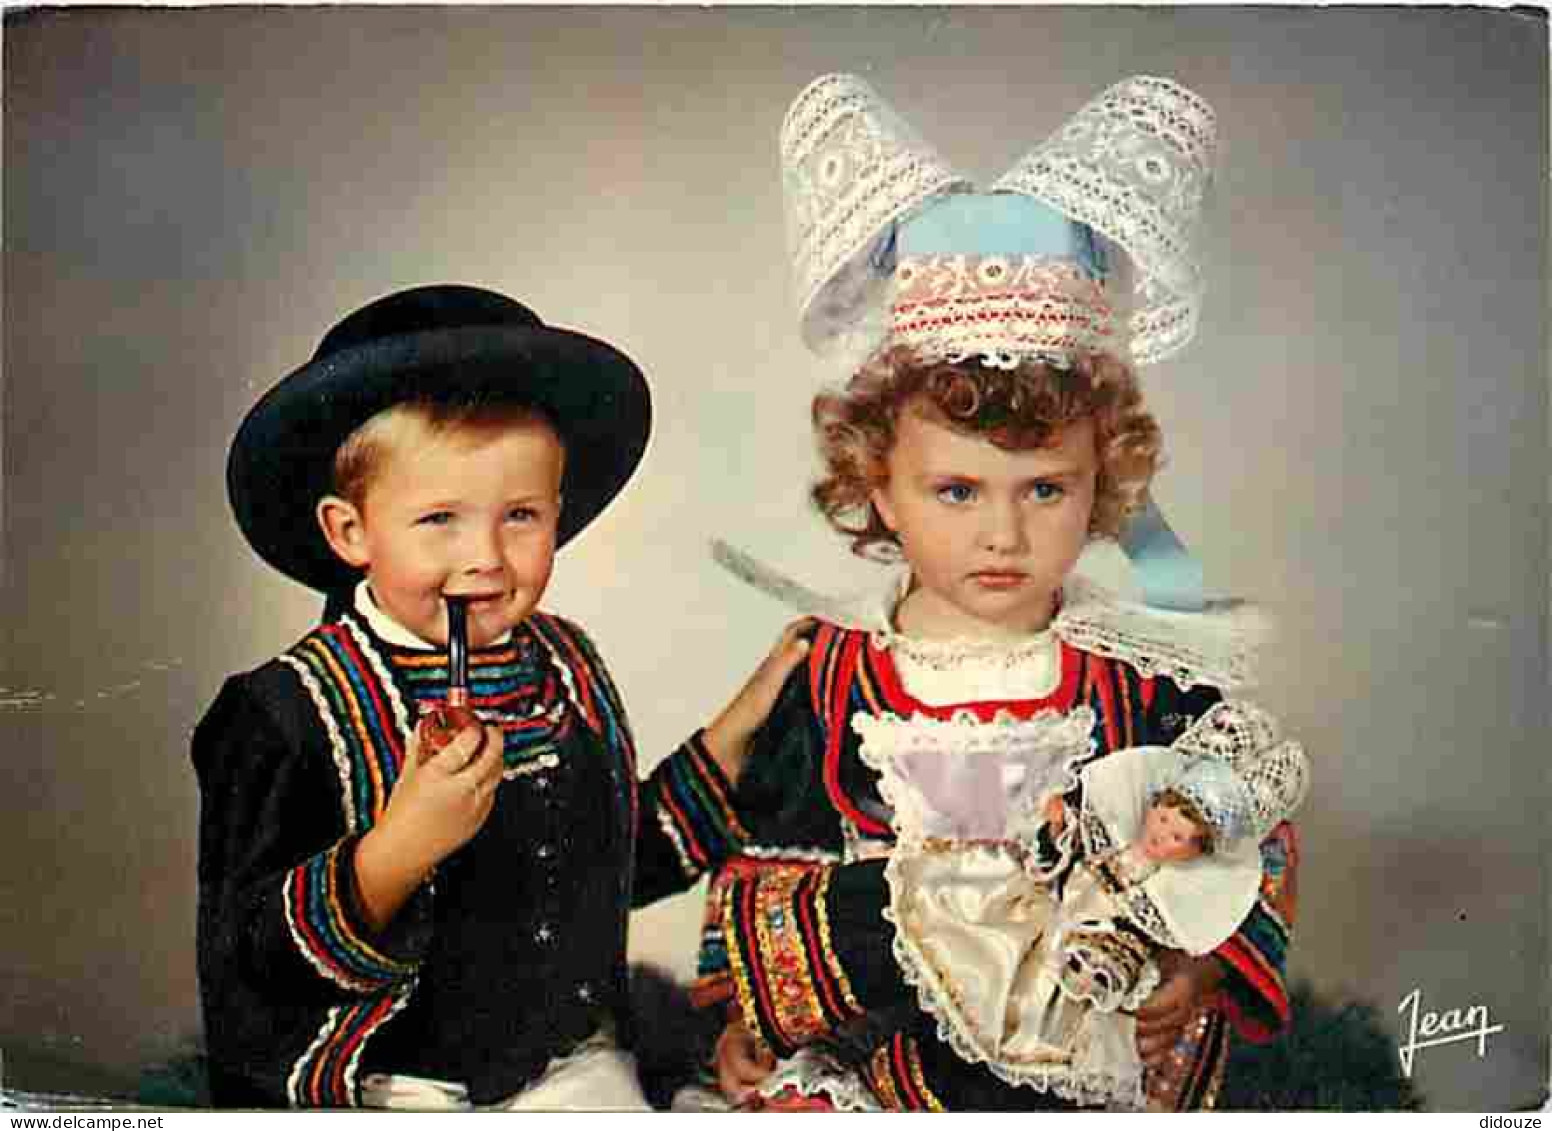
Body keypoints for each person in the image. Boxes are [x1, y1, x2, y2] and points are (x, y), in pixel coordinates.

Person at [653, 74, 1304, 1111]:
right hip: (878, 1040)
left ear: (1105, 482)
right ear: (878, 483)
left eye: (1046, 489)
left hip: (1082, 1031)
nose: (1003, 534)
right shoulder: (833, 670)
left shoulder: (1136, 673)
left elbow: (1245, 825)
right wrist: (746, 1009)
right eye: (956, 490)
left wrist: (1203, 966)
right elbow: (767, 850)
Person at [195, 284, 804, 1109]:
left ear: (560, 512)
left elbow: (614, 867)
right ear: (350, 532)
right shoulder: (283, 713)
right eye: (439, 518)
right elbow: (250, 961)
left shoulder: (567, 667)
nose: (484, 556)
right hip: (386, 1091)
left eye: (519, 515)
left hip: (575, 1079)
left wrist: (746, 717)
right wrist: (401, 843)